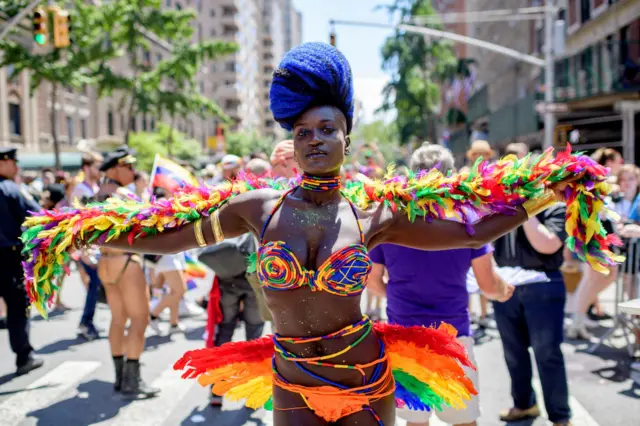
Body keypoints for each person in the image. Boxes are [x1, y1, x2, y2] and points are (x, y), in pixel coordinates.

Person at [23, 43, 609, 425]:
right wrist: (82, 231)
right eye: (303, 131)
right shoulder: (257, 205)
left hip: (363, 372)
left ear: (347, 137)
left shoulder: (374, 212)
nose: (315, 139)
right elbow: (171, 234)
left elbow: (466, 233)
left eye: (327, 128)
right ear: (293, 141)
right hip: (291, 374)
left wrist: (552, 191)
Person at [367, 144, 515, 426]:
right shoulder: (467, 217)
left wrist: (394, 296)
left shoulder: (391, 219)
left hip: (404, 333)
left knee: (415, 421)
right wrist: (503, 289)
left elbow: (371, 280)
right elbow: (488, 284)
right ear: (450, 176)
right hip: (453, 334)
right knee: (463, 421)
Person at [492, 188, 572, 425]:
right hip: (507, 287)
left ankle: (560, 416)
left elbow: (547, 245)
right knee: (513, 352)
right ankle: (524, 404)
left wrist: (526, 209)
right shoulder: (501, 210)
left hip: (543, 285)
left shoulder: (555, 207)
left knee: (547, 353)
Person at [96, 147, 160, 399]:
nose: (133, 172)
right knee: (140, 320)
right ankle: (132, 382)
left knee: (117, 319)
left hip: (105, 262)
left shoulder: (96, 195)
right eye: (129, 167)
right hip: (126, 261)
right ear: (114, 169)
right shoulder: (123, 195)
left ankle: (120, 378)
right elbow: (147, 225)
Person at [0, 147, 44, 376]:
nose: (16, 167)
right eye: (13, 162)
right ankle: (24, 357)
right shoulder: (9, 188)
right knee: (17, 308)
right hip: (7, 258)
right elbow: (35, 215)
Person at [70, 152, 104, 341]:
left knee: (97, 284)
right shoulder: (80, 191)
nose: (99, 170)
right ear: (86, 168)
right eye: (96, 166)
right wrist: (83, 251)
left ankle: (88, 320)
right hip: (86, 248)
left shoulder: (97, 187)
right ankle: (85, 322)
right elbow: (76, 222)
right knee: (94, 284)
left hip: (98, 246)